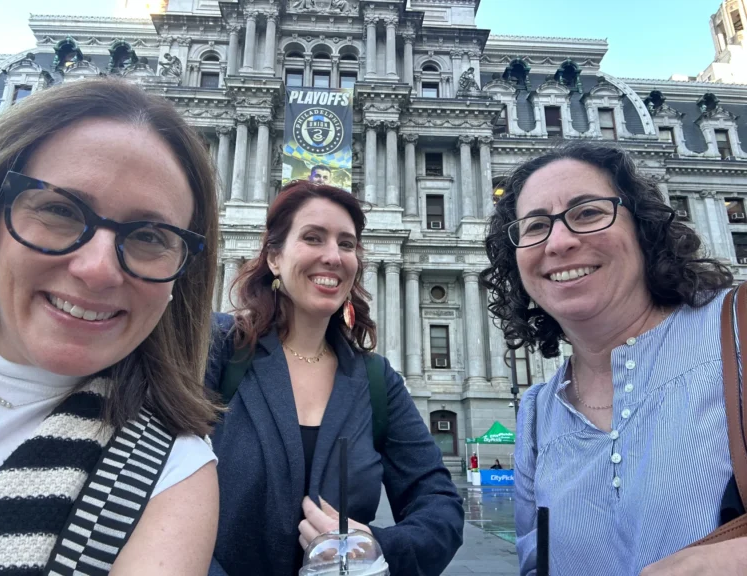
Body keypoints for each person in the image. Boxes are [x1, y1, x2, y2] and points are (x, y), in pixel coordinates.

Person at [0, 79, 221, 574]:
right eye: (61, 210)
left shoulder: (171, 472)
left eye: (150, 235)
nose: (97, 269)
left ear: (181, 276)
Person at [481, 141, 740, 576]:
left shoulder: (735, 336)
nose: (559, 242)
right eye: (535, 226)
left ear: (643, 228)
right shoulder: (538, 414)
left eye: (588, 213)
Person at [206, 180, 464, 575]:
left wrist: (374, 548)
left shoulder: (376, 380)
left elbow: (440, 504)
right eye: (313, 238)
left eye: (346, 244)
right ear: (274, 257)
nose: (333, 256)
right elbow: (149, 488)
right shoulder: (219, 348)